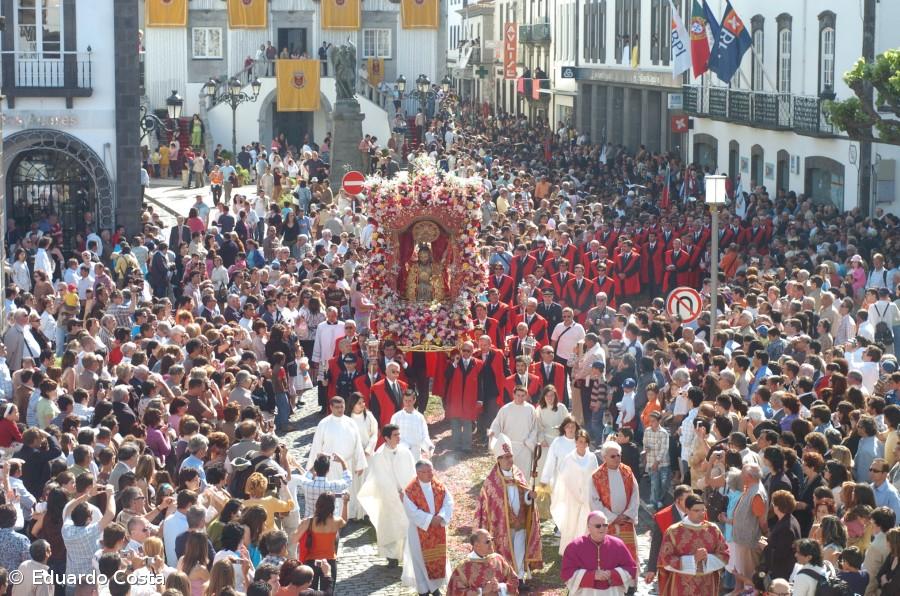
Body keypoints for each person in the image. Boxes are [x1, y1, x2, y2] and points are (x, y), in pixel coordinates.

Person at [475, 434, 542, 589]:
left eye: (510, 456)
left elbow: (524, 495)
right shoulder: (491, 481)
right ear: (498, 459)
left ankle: (519, 579)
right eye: (505, 457)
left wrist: (529, 496)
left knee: (519, 551)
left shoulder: (518, 473)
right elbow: (488, 506)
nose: (509, 459)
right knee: (505, 553)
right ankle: (505, 580)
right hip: (502, 526)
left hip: (520, 522)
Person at [356, 424, 417, 567]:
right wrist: (394, 490)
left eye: (399, 434)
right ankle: (392, 557)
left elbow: (412, 472)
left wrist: (407, 489)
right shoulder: (379, 455)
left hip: (405, 496)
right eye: (395, 435)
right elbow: (380, 477)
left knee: (406, 526)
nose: (399, 437)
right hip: (388, 497)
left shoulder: (405, 452)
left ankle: (408, 556)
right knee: (390, 527)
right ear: (386, 438)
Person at [657, 494, 729, 596]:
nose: (701, 514)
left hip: (707, 586)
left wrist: (707, 558)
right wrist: (693, 559)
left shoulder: (713, 530)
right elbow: (665, 560)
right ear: (686, 510)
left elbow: (725, 555)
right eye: (696, 510)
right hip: (681, 586)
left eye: (703, 510)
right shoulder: (673, 531)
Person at [401, 460, 454, 596]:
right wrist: (430, 519)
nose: (431, 474)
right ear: (418, 473)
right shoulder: (410, 490)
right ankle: (424, 590)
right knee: (421, 562)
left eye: (431, 470)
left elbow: (448, 502)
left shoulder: (438, 485)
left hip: (438, 530)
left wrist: (441, 516)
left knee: (437, 558)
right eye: (427, 472)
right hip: (419, 532)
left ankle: (435, 588)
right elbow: (411, 512)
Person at [560, 511, 637, 595]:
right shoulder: (575, 546)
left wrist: (612, 574)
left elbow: (631, 568)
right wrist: (592, 576)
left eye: (605, 525)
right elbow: (567, 573)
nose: (602, 528)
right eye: (598, 526)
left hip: (612, 592)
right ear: (589, 527)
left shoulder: (618, 544)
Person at [589, 441, 640, 563]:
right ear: (604, 457)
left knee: (628, 556)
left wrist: (627, 514)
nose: (617, 458)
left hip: (625, 521)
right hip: (607, 524)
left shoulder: (627, 471)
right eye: (613, 456)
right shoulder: (597, 476)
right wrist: (611, 518)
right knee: (608, 555)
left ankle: (629, 578)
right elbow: (594, 501)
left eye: (619, 455)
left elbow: (635, 494)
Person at [551, 429, 599, 555]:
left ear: (587, 444)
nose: (581, 444)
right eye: (579, 441)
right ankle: (571, 551)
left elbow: (595, 477)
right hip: (573, 498)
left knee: (586, 524)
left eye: (584, 442)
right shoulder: (569, 459)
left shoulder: (592, 458)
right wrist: (576, 494)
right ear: (576, 442)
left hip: (587, 498)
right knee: (572, 523)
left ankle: (586, 550)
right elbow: (565, 479)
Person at [306, 396, 367, 486]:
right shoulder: (323, 424)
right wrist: (314, 469)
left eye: (342, 407)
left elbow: (358, 444)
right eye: (337, 407)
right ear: (331, 407)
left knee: (349, 495)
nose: (340, 410)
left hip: (348, 465)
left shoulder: (351, 423)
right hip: (330, 467)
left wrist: (360, 464)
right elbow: (316, 446)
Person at [297, 492, 348, 591]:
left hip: (311, 561)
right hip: (329, 561)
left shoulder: (309, 521)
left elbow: (297, 537)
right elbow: (344, 520)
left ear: (318, 505)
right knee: (328, 591)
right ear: (332, 507)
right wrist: (345, 503)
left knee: (310, 592)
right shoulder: (336, 521)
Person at [447, 529, 519, 595]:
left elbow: (514, 580)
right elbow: (456, 592)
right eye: (487, 541)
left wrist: (500, 587)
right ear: (476, 545)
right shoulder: (464, 568)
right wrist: (482, 591)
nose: (491, 544)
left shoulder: (498, 559)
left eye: (492, 540)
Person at [489, 385, 539, 475]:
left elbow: (535, 428)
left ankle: (523, 489)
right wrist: (494, 439)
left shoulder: (530, 409)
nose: (520, 398)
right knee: (508, 474)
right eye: (518, 395)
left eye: (522, 395)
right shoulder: (505, 409)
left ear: (526, 396)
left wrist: (529, 442)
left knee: (523, 474)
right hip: (508, 448)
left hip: (525, 447)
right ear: (513, 395)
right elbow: (496, 425)